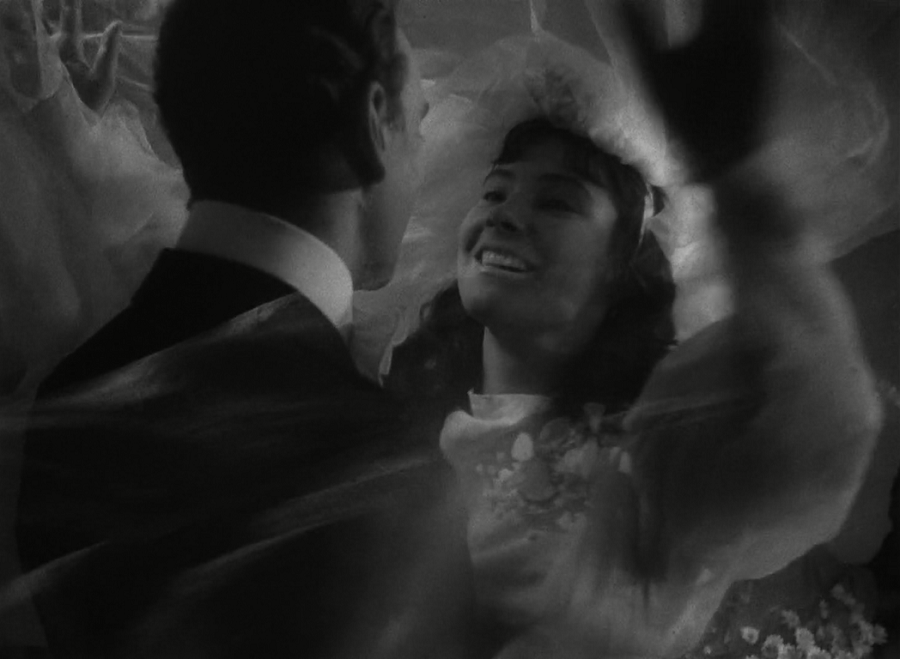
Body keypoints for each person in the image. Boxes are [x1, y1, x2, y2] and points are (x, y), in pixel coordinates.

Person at [387, 2, 884, 656]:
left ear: (620, 262)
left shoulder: (653, 452)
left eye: (557, 201)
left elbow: (829, 426)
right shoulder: (387, 413)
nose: (503, 215)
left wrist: (735, 176)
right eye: (494, 191)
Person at [13, 0, 482, 657]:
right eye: (418, 122)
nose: (421, 153)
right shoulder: (380, 470)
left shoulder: (67, 394)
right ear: (375, 122)